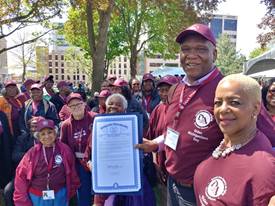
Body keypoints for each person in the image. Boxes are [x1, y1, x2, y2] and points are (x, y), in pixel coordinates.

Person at [135, 23, 275, 206]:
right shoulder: (177, 89)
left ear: (214, 54)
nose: (191, 55)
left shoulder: (229, 90)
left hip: (205, 192)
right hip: (172, 184)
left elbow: (270, 139)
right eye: (186, 49)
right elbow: (177, 129)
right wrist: (156, 144)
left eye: (201, 49)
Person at [194, 74, 275, 205]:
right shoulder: (222, 146)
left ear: (256, 108)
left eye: (234, 102)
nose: (223, 109)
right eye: (218, 103)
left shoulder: (264, 168)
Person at [89, 93, 156, 206]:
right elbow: (88, 153)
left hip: (131, 180)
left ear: (124, 109)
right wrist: (89, 163)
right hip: (107, 180)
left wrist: (147, 146)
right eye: (110, 103)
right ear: (106, 107)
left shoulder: (132, 127)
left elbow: (148, 146)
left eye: (118, 104)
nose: (114, 106)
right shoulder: (97, 128)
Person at [13, 118, 80, 206]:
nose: (47, 136)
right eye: (43, 134)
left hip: (59, 195)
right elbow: (21, 176)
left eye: (49, 132)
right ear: (38, 137)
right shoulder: (32, 153)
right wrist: (22, 200)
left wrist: (69, 192)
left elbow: (72, 174)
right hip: (37, 196)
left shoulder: (65, 150)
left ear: (55, 133)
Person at [146, 75, 179, 206]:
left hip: (180, 170)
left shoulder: (183, 110)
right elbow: (151, 139)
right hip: (162, 168)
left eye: (168, 89)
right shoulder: (158, 110)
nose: (164, 93)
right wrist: (155, 163)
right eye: (161, 90)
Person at [60, 93, 97, 206]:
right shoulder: (66, 125)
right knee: (83, 193)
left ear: (84, 104)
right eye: (72, 106)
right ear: (68, 108)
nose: (76, 107)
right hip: (78, 164)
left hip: (96, 161)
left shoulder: (96, 118)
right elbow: (64, 147)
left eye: (78, 104)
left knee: (100, 194)